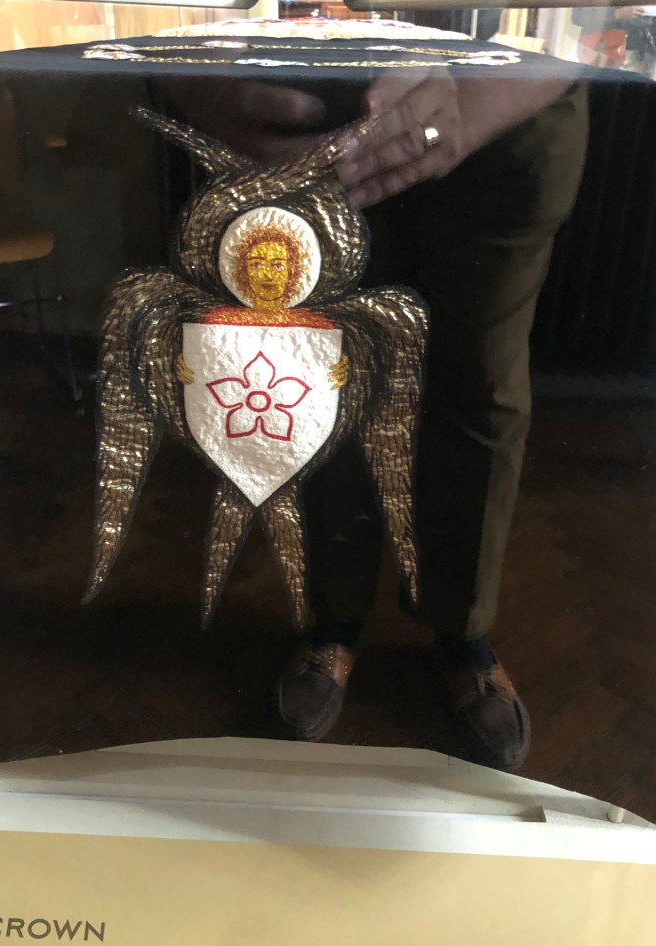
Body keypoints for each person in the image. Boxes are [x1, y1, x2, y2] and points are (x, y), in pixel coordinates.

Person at [166, 62, 589, 769]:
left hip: (511, 115)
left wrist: (481, 99)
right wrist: (197, 86)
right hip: (309, 124)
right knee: (324, 388)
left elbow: (615, 16)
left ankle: (462, 630)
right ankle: (335, 621)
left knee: (482, 387)